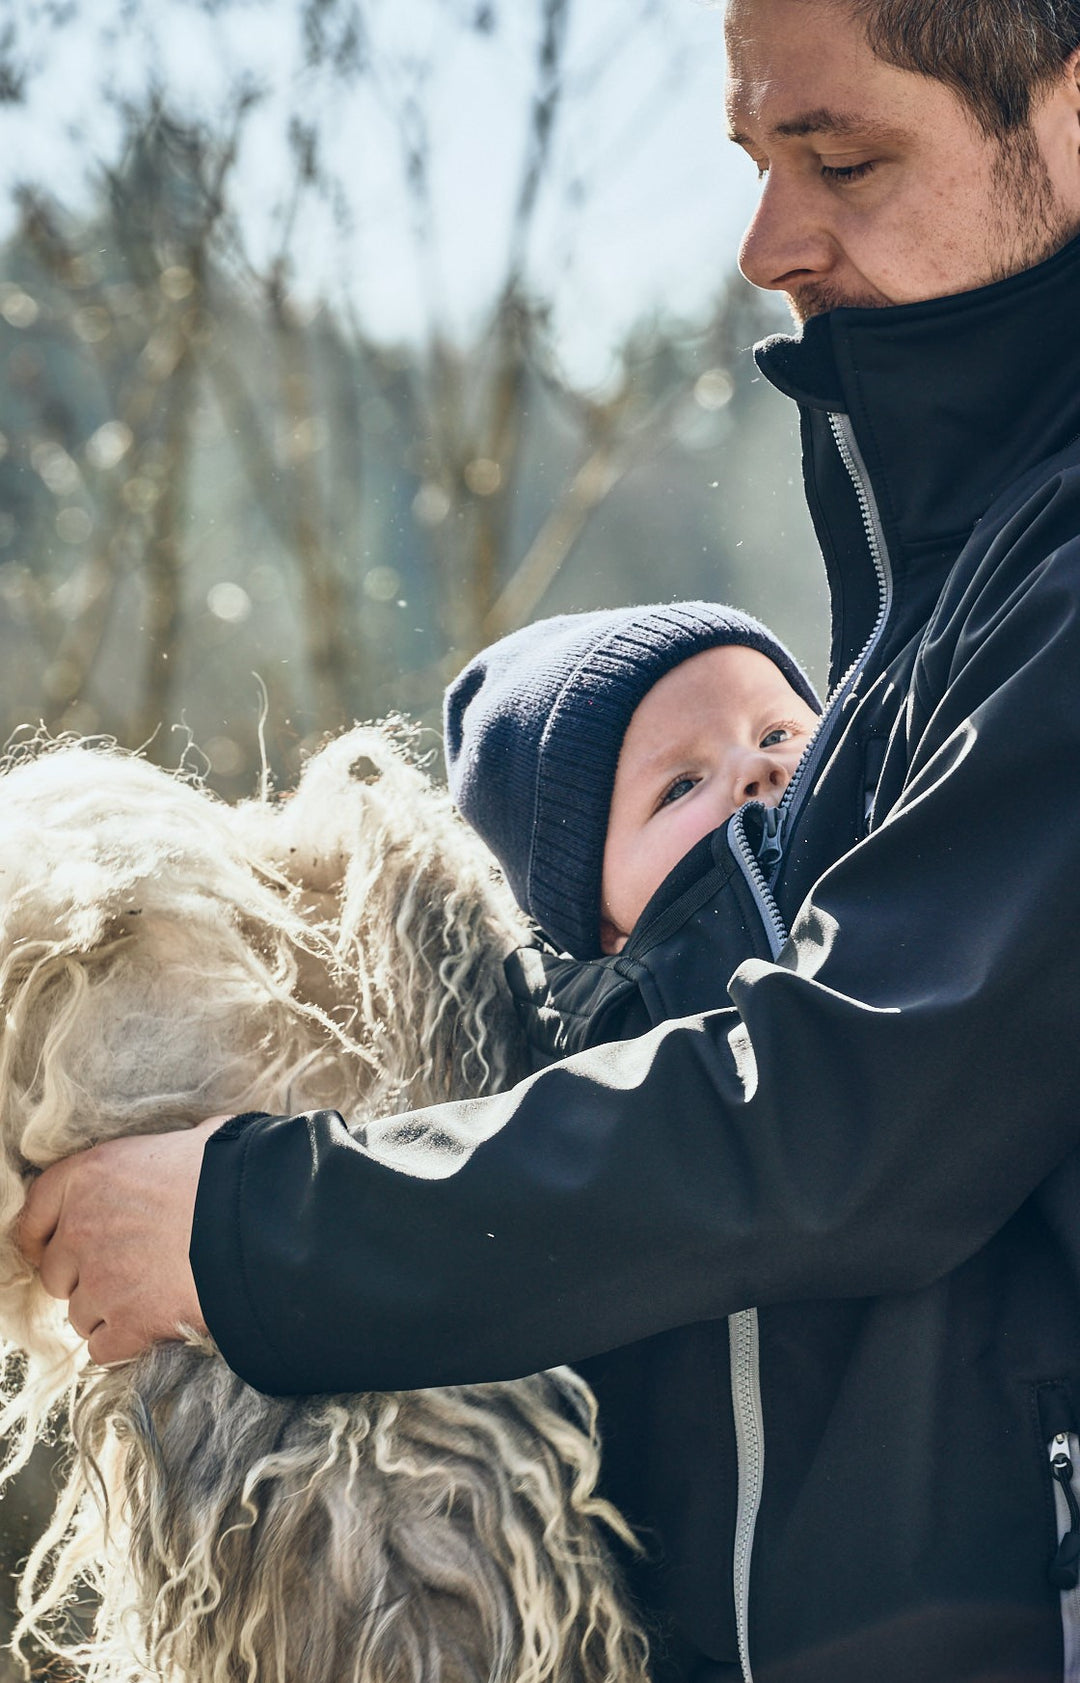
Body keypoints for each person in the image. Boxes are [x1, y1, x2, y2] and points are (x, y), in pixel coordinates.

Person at [19, 1, 1080, 1678]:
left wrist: (245, 1235)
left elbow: (857, 1111)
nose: (766, 244)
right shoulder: (963, 578)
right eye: (755, 158)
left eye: (846, 155)